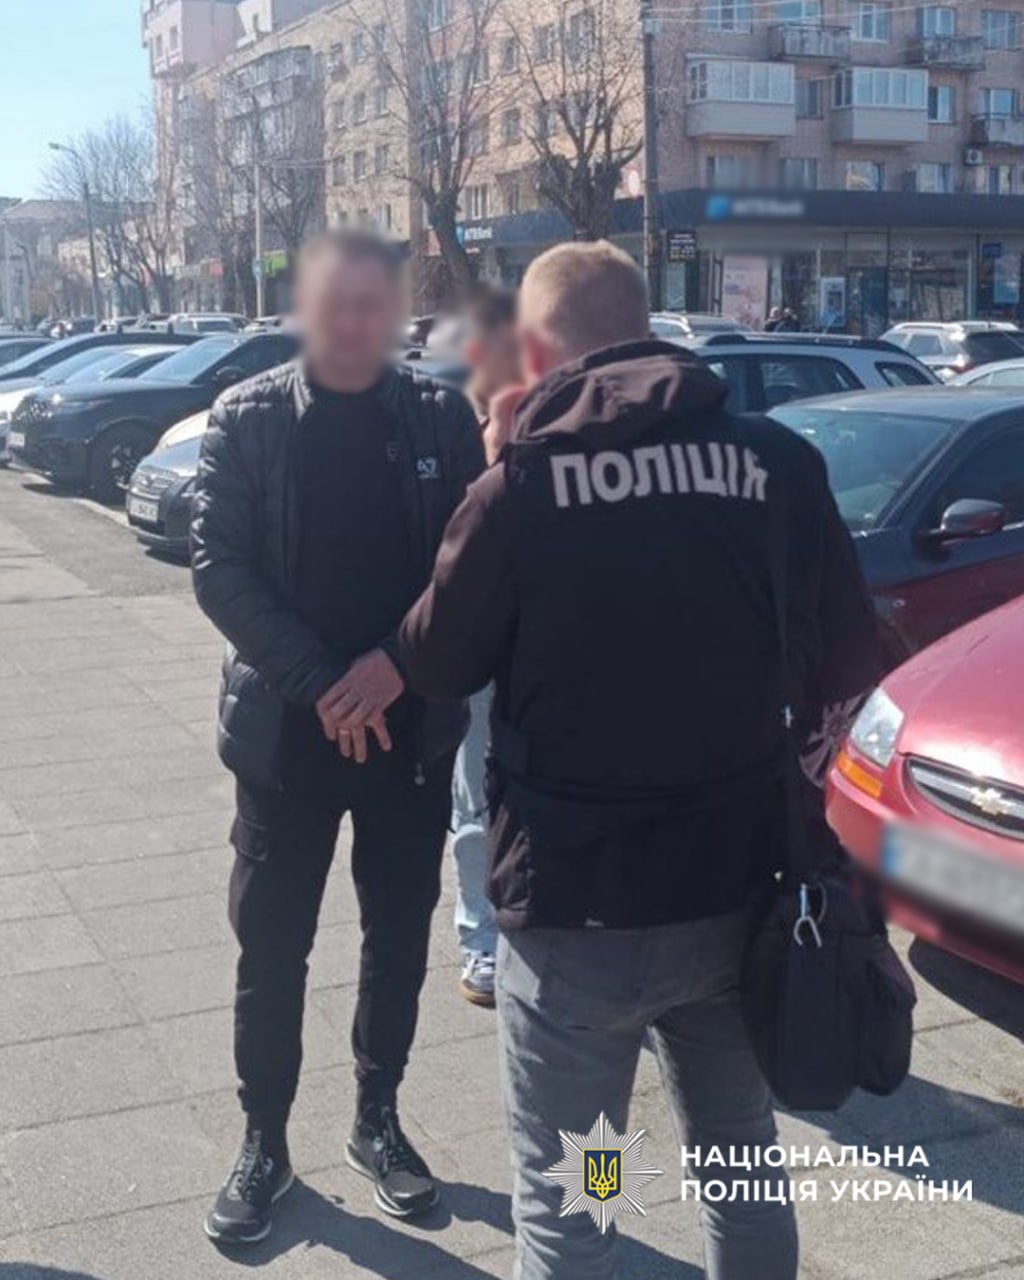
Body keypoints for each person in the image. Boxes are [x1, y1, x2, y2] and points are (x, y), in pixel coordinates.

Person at [388, 241, 882, 1278]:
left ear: (535, 349)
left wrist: (493, 467)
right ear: (646, 325)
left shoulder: (523, 484)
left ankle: (608, 1201)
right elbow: (850, 659)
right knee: (737, 1158)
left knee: (584, 1190)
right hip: (738, 893)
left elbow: (434, 663)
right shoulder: (778, 463)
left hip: (580, 921)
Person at [190, 228, 485, 1245]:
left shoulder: (442, 416)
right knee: (272, 947)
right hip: (287, 734)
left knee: (397, 938)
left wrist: (392, 667)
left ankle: (377, 1117)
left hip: (409, 734)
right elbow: (219, 567)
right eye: (335, 304)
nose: (354, 322)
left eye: (372, 304)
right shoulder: (247, 416)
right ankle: (264, 1140)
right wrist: (323, 683)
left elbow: (468, 573)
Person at [453, 284, 521, 1007]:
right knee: (474, 810)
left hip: (547, 655)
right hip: (480, 659)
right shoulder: (458, 434)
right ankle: (481, 944)